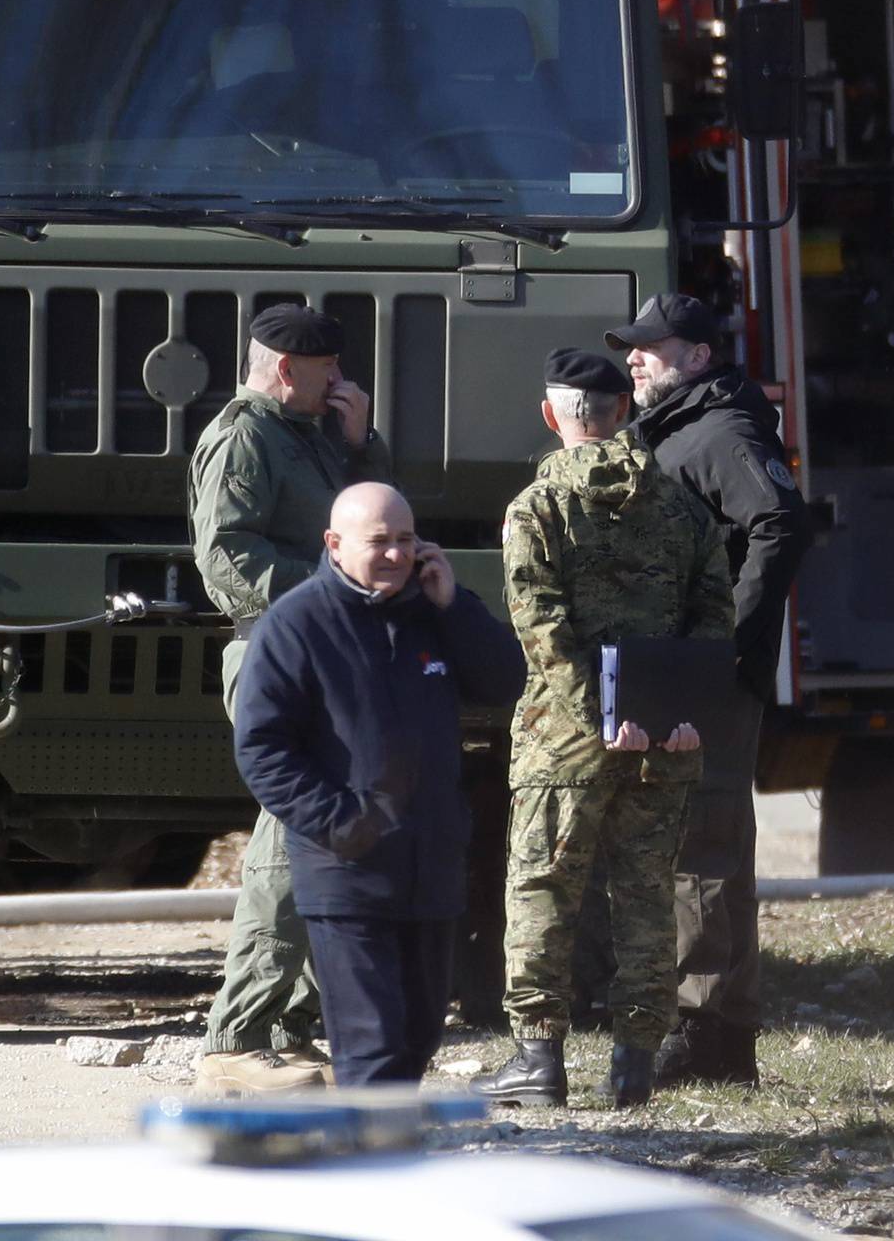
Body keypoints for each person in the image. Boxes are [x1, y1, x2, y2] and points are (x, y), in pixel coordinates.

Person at [470, 349, 734, 1109]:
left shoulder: (536, 509)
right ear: (625, 412)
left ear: (553, 417)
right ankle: (634, 1065)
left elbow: (542, 633)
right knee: (647, 898)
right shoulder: (684, 508)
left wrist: (599, 719)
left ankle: (538, 1060)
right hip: (665, 743)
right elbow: (715, 621)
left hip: (565, 745)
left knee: (544, 891)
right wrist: (681, 717)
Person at [232, 483, 524, 1086]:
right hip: (348, 875)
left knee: (419, 1038)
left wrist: (456, 606)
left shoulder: (432, 614)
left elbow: (503, 681)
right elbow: (263, 749)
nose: (395, 555)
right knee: (371, 1047)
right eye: (379, 543)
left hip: (431, 869)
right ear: (334, 545)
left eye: (406, 541)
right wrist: (343, 825)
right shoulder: (296, 626)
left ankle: (387, 1157)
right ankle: (370, 1165)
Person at [609, 294, 813, 1087]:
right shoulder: (687, 427)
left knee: (699, 846)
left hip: (707, 672)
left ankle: (702, 1029)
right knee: (710, 846)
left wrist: (733, 638)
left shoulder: (720, 430)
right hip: (687, 664)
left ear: (697, 356)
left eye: (651, 347)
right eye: (632, 348)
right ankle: (725, 1038)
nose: (635, 359)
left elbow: (781, 522)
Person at [187, 304, 392, 1093]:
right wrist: (328, 600)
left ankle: (291, 1028)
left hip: (327, 649)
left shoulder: (312, 435)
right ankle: (235, 1038)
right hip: (280, 651)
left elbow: (380, 521)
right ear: (284, 371)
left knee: (330, 832)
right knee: (291, 832)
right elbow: (227, 555)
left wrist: (359, 443)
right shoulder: (246, 437)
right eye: (328, 372)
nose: (341, 382)